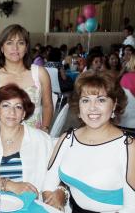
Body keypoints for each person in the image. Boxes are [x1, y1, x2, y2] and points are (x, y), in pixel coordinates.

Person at [43, 70, 135, 212]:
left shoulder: (128, 146)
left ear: (114, 104)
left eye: (101, 100)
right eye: (85, 100)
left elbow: (132, 207)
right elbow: (48, 187)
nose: (92, 107)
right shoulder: (68, 139)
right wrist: (60, 195)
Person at [0, 84, 53, 195]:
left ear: (24, 114)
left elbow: (53, 175)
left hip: (30, 202)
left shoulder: (41, 140)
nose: (12, 112)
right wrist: (11, 185)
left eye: (18, 107)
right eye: (6, 105)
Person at [0, 24, 53, 131]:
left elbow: (48, 106)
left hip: (35, 139)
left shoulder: (40, 73)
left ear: (26, 47)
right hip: (4, 140)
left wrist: (44, 130)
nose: (15, 48)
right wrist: (7, 136)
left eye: (20, 43)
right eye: (9, 43)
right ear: (2, 48)